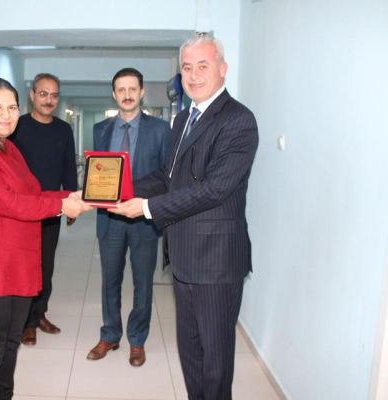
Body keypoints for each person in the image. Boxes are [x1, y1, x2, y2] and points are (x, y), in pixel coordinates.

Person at [109, 35, 259, 398]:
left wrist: (147, 208)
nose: (193, 76)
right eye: (187, 68)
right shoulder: (183, 119)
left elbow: (214, 189)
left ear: (223, 69)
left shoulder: (238, 120)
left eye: (202, 66)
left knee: (215, 359)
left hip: (216, 262)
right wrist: (116, 188)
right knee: (190, 350)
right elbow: (168, 177)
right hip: (183, 255)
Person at [0, 78, 91, 400]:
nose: (6, 114)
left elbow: (32, 195)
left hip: (14, 267)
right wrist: (61, 206)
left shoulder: (8, 148)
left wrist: (73, 195)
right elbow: (5, 201)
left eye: (11, 107)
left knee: (9, 347)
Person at [86, 68, 170, 367]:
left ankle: (137, 339)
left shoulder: (160, 130)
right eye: (121, 89)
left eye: (132, 88)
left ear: (142, 92)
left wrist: (135, 195)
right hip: (109, 219)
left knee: (142, 282)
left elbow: (166, 176)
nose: (127, 94)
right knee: (109, 280)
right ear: (114, 94)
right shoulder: (101, 129)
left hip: (142, 218)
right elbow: (98, 171)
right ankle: (110, 334)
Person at [11, 73, 78, 346]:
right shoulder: (17, 127)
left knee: (46, 266)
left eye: (54, 95)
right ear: (32, 95)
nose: (49, 100)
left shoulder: (63, 130)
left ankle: (40, 314)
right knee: (26, 266)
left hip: (52, 209)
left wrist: (72, 202)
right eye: (43, 94)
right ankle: (26, 322)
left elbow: (68, 168)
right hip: (22, 210)